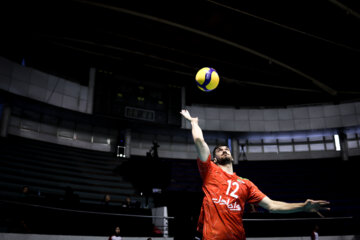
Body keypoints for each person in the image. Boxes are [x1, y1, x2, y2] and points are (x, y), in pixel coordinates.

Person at [180, 109, 330, 240]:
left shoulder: (246, 184)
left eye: (227, 149)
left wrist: (303, 207)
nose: (224, 150)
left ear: (232, 157)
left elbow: (272, 205)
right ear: (214, 159)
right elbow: (199, 140)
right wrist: (194, 122)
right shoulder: (209, 171)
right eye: (220, 150)